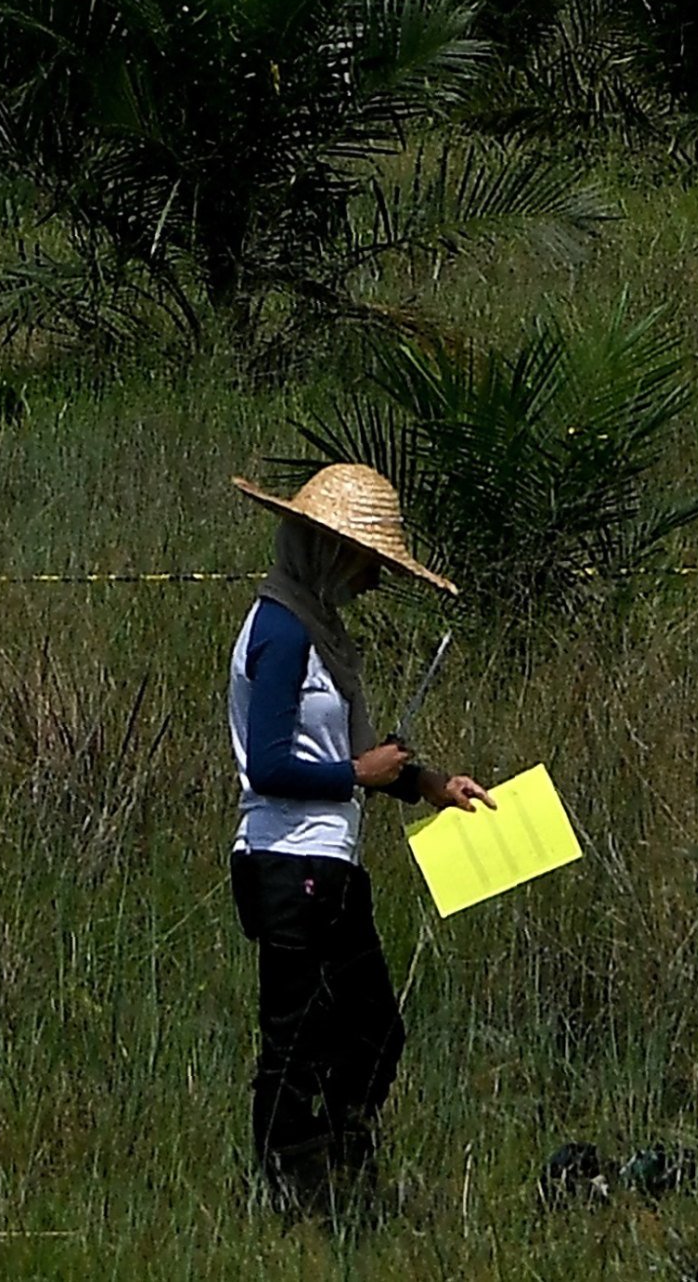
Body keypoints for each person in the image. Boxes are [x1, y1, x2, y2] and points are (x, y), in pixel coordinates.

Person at [223, 462, 489, 1211]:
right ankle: (288, 1187)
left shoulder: (316, 628)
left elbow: (347, 760)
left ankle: (340, 1173)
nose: (373, 579)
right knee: (296, 1039)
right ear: (329, 550)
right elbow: (271, 767)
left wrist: (432, 786)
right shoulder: (279, 632)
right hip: (287, 865)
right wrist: (358, 774)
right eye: (368, 561)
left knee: (372, 1033)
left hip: (326, 864)